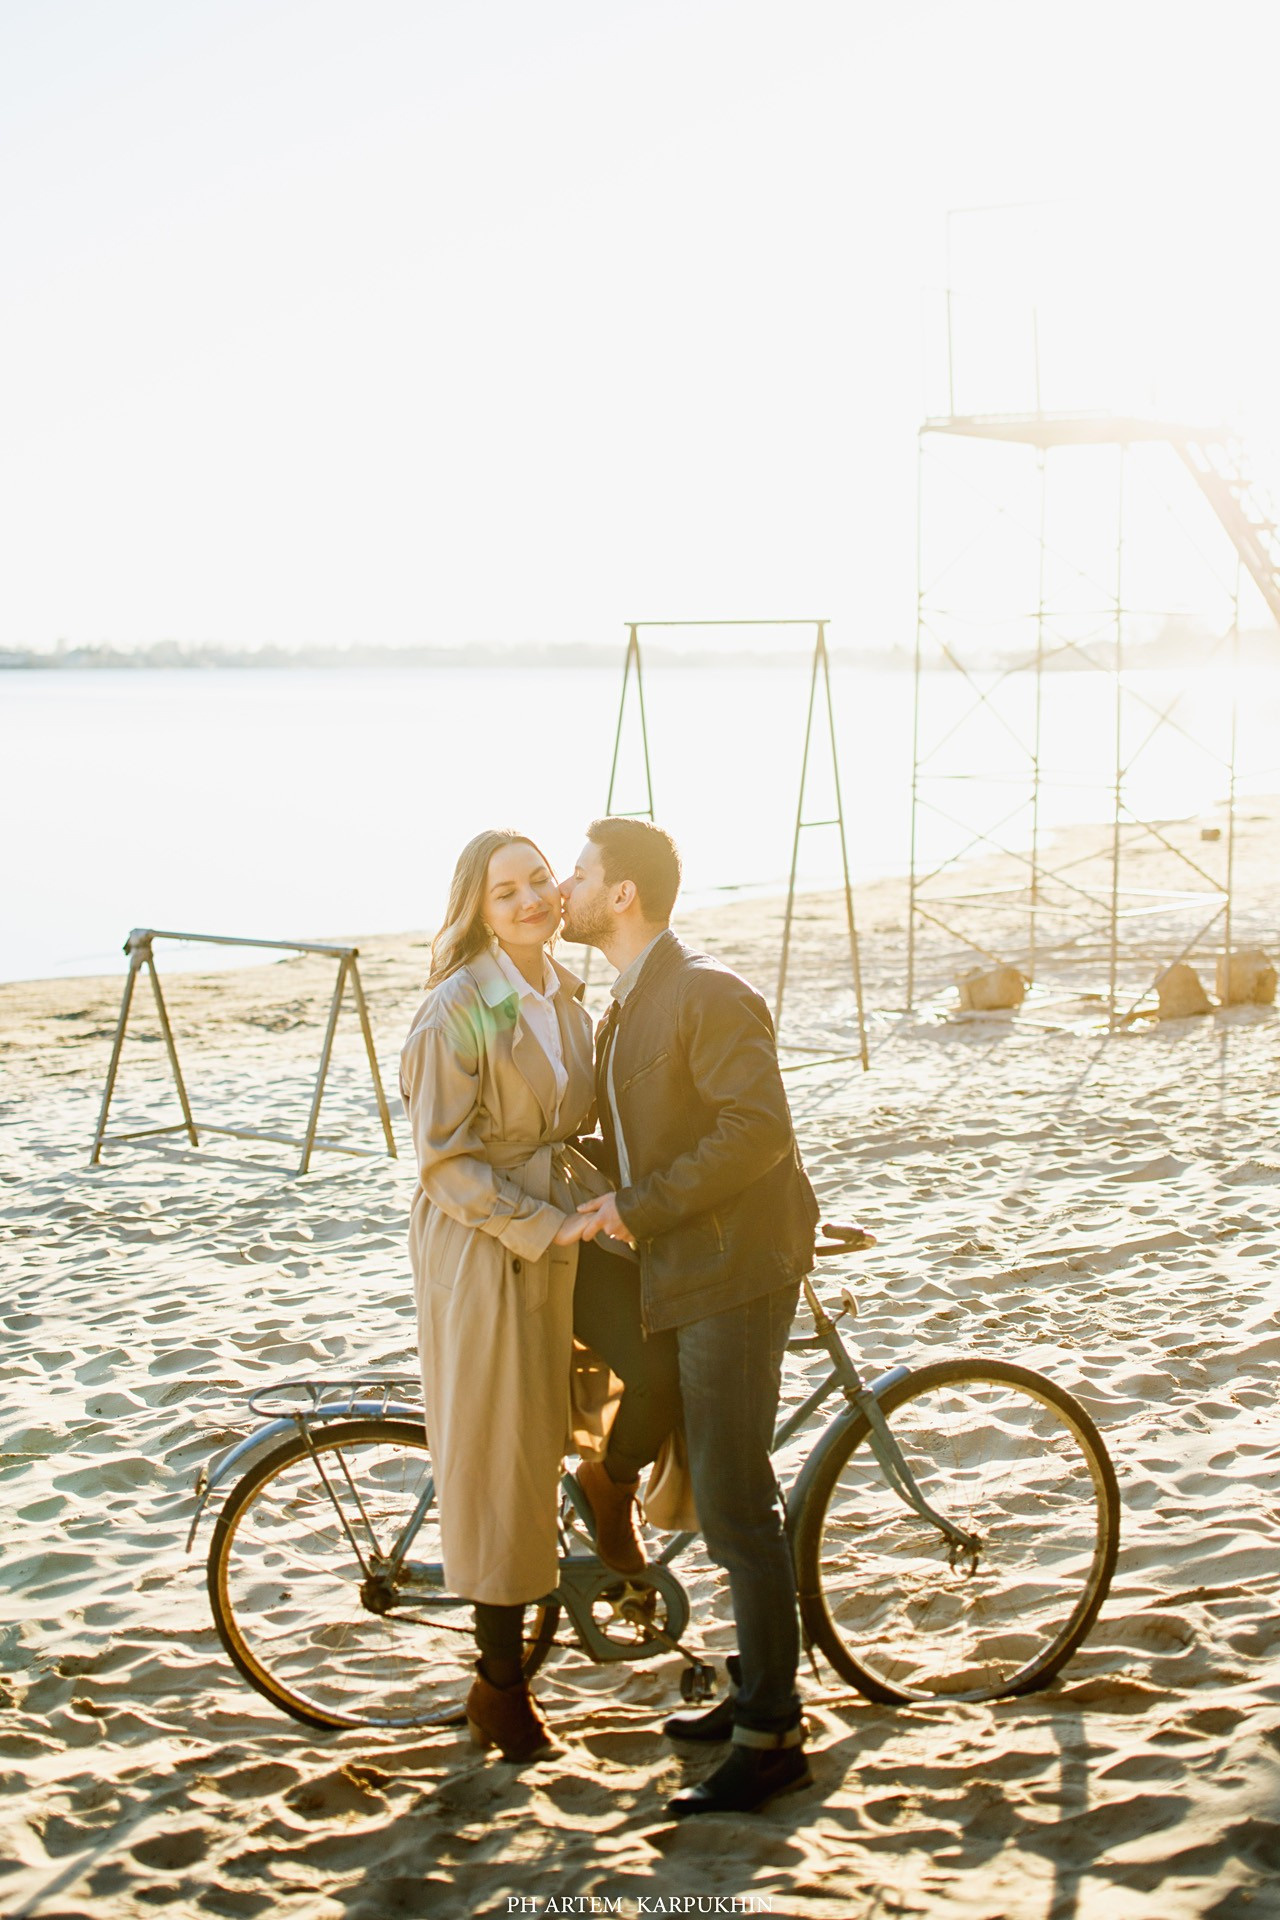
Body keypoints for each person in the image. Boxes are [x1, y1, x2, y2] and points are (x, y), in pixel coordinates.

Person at [400, 828, 682, 1763]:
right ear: (477, 909)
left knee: (658, 1361)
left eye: (536, 882)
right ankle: (499, 1688)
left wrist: (631, 1204)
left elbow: (580, 1124)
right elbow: (446, 1162)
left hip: (567, 1218)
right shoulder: (466, 1007)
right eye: (503, 892)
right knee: (506, 1458)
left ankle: (610, 1479)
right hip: (489, 1244)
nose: (528, 901)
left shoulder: (565, 995)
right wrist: (544, 1222)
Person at [561, 817, 820, 1818]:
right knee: (717, 1493)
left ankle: (769, 1737)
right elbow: (637, 1129)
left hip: (733, 1270)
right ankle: (756, 1688)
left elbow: (756, 1131)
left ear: (621, 894)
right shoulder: (627, 1003)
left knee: (733, 1501)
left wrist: (636, 1205)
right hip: (684, 1265)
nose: (568, 889)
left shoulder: (704, 990)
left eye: (579, 874)